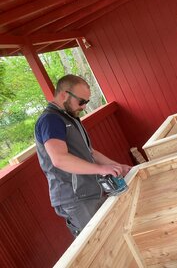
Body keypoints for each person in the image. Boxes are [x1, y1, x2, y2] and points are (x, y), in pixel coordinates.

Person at [35, 74, 131, 237]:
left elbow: (90, 152)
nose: (84, 106)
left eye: (86, 102)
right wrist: (101, 169)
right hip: (74, 198)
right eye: (82, 101)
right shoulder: (50, 120)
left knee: (111, 236)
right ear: (64, 94)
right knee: (97, 243)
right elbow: (59, 159)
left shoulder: (70, 118)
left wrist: (117, 167)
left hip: (89, 191)